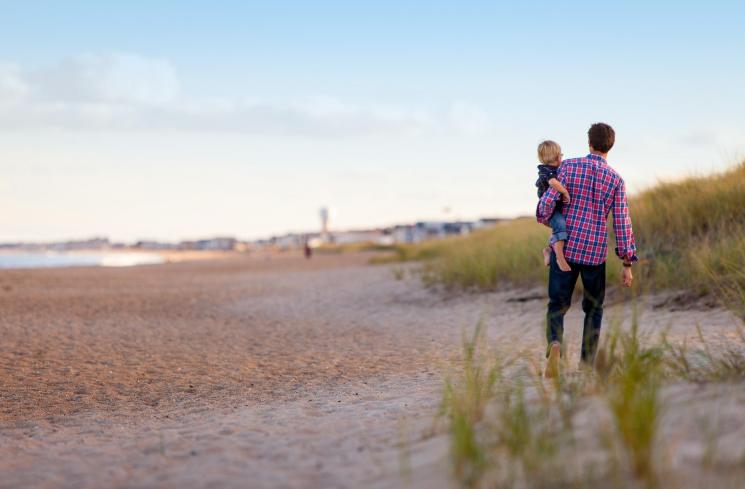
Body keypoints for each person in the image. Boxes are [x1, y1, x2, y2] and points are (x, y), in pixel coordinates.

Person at [536, 122, 637, 378]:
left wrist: (547, 216)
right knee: (593, 308)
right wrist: (626, 263)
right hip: (594, 252)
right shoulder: (616, 180)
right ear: (610, 146)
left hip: (567, 248)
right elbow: (622, 222)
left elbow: (546, 206)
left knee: (557, 305)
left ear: (589, 143)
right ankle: (588, 364)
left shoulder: (568, 166)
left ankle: (555, 344)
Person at [535, 140, 572, 272]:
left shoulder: (556, 169)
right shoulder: (546, 171)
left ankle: (549, 250)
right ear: (557, 156)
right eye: (561, 155)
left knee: (560, 229)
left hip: (556, 207)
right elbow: (552, 182)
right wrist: (565, 191)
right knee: (560, 225)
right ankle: (559, 258)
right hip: (549, 210)